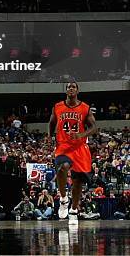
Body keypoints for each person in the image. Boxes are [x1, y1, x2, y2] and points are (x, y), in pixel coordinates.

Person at [48, 81, 96, 222]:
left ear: (77, 90)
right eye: (68, 87)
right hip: (63, 146)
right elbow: (51, 122)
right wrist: (50, 136)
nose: (70, 88)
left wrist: (82, 135)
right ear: (66, 90)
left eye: (73, 87)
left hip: (79, 147)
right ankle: (63, 199)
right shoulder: (58, 107)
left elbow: (93, 128)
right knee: (62, 168)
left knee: (77, 182)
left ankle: (74, 209)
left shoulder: (85, 108)